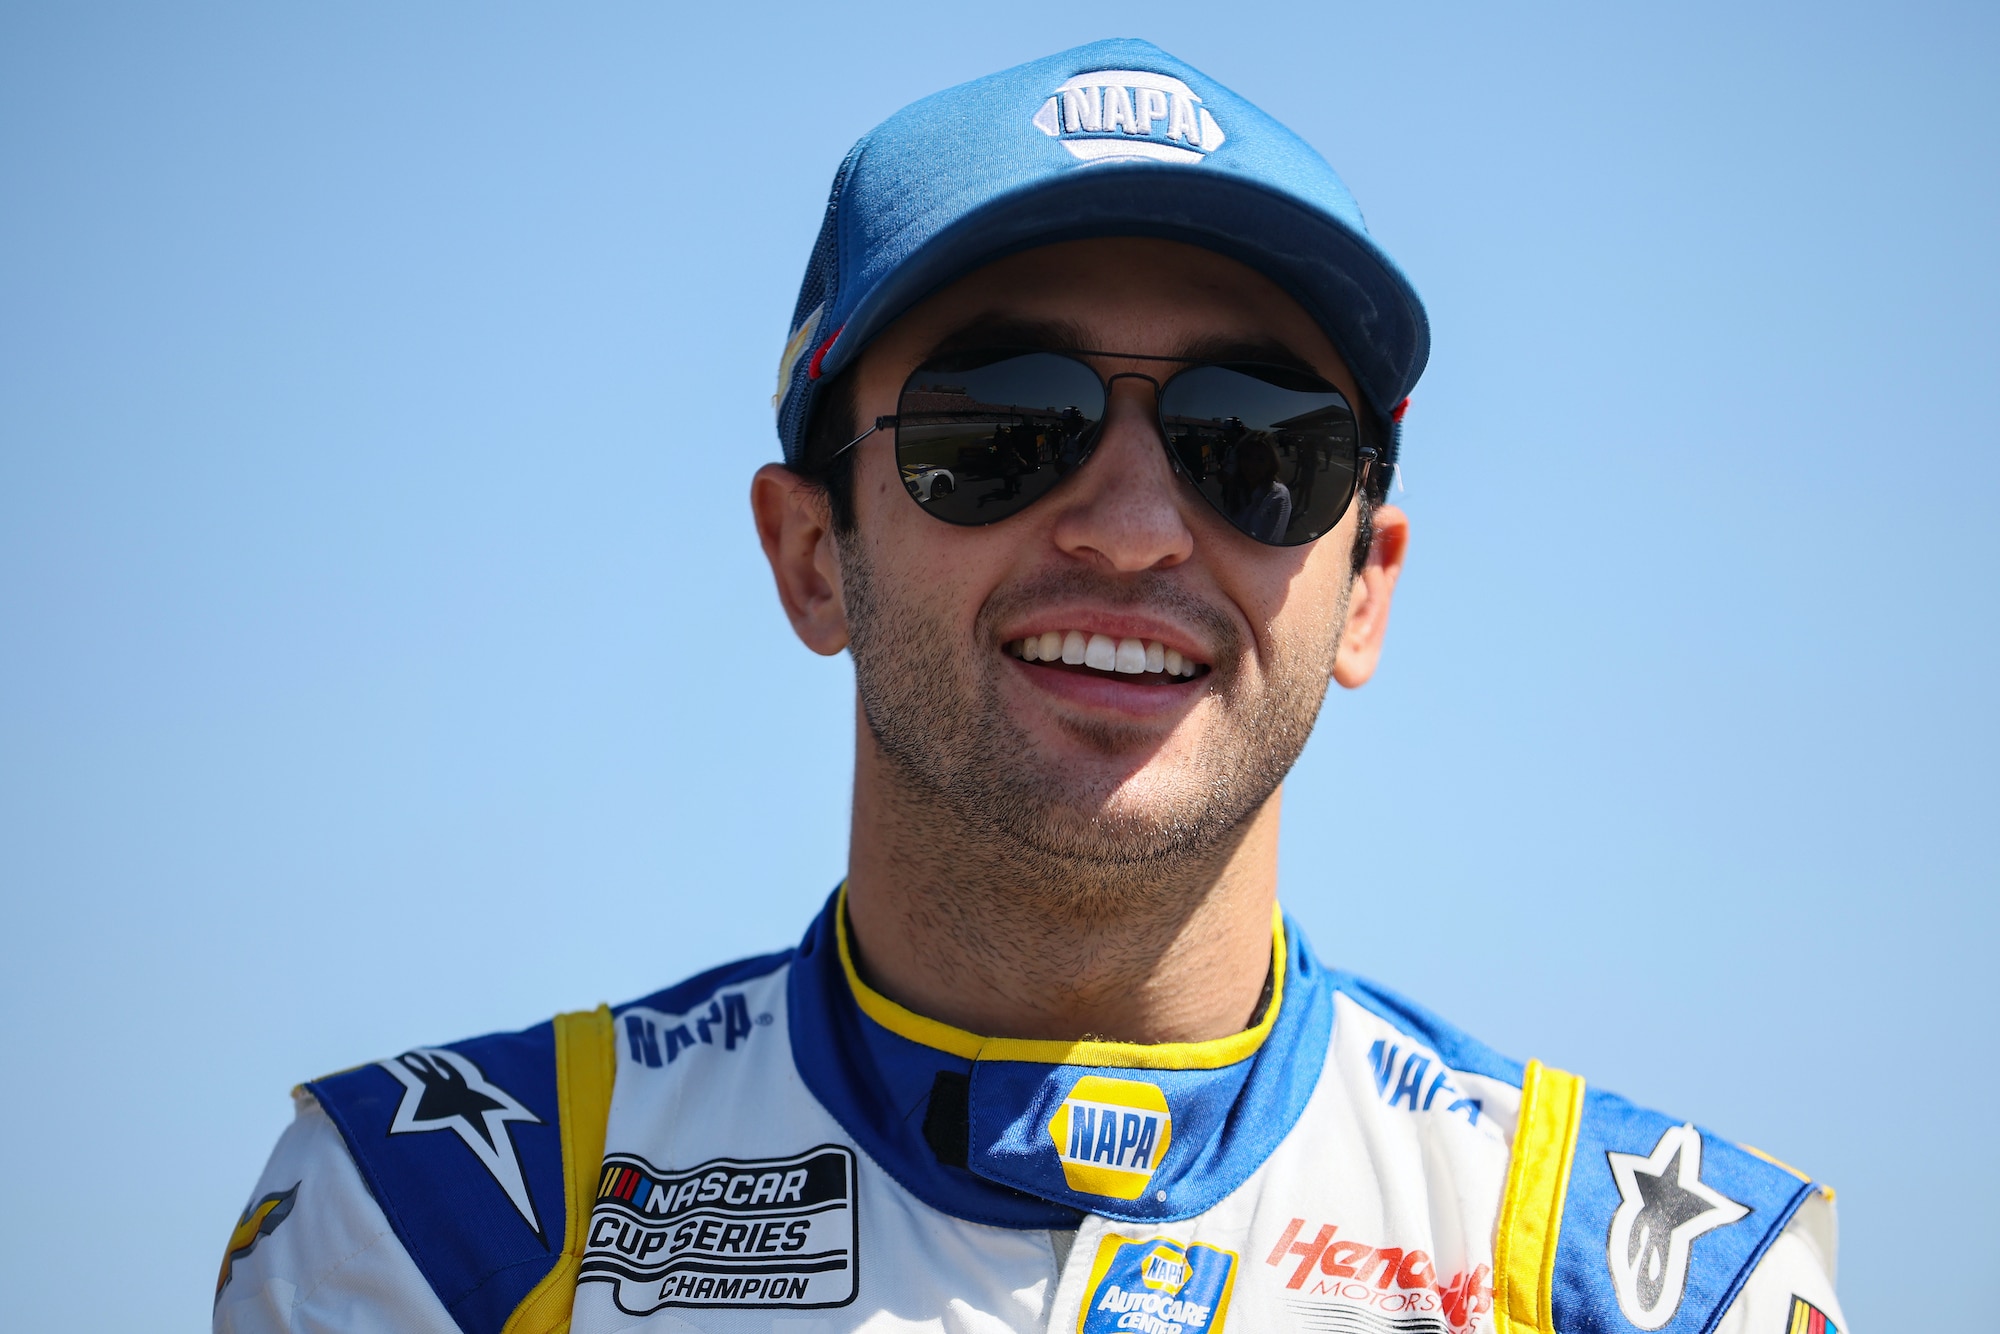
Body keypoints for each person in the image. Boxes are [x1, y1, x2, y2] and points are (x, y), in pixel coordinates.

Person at [214, 39, 1848, 1334]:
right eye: (999, 423)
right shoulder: (438, 1237)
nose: (1138, 529)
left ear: (1368, 589)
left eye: (1257, 446)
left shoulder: (1656, 1283)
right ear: (809, 554)